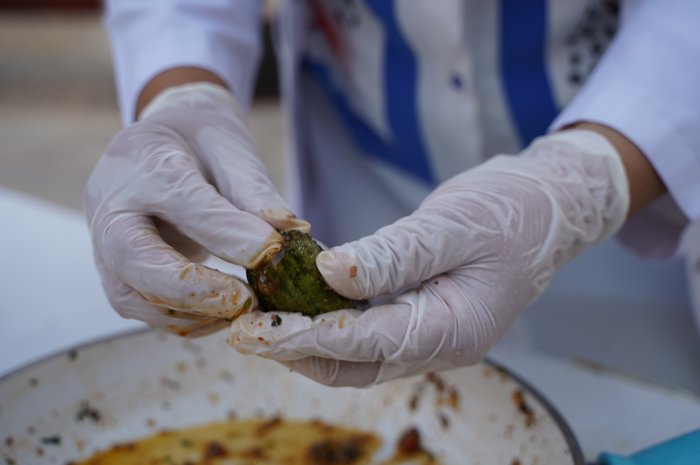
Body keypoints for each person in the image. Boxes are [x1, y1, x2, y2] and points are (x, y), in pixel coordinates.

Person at [86, 0, 700, 387]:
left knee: (634, 403)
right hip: (365, 172)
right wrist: (181, 89)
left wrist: (583, 182)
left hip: (642, 194)